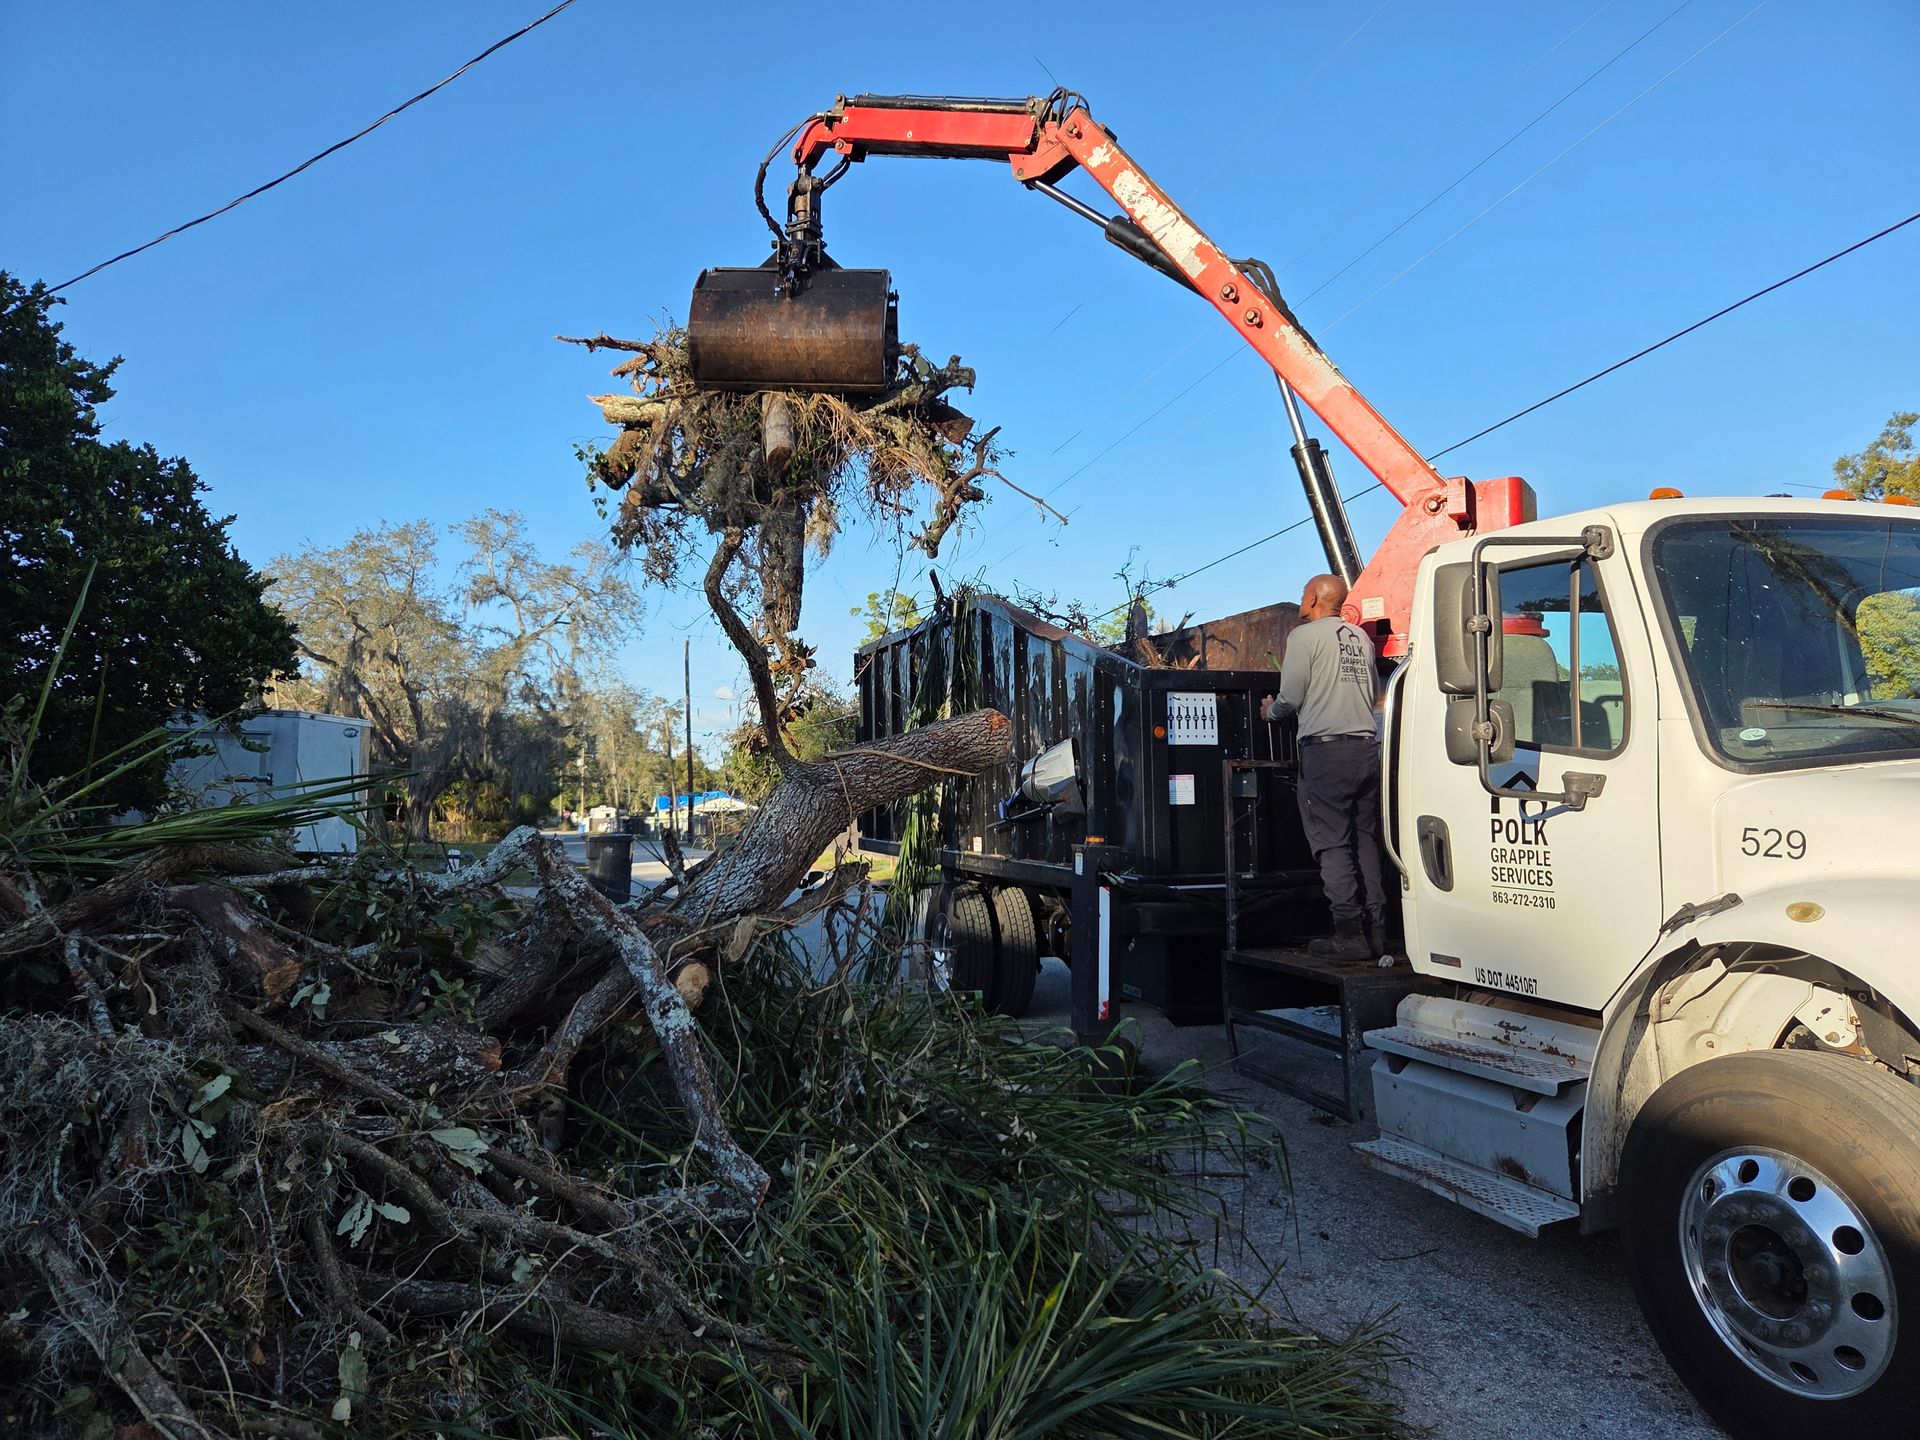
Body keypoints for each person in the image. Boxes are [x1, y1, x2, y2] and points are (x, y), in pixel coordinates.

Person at [1261, 574, 1387, 962]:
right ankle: (1377, 932)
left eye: (1303, 593)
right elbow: (1372, 695)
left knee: (1331, 843)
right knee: (1364, 839)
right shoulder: (1360, 638)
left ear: (1314, 598)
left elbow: (1292, 695)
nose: (1301, 598)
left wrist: (1271, 712)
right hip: (1366, 750)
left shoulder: (1304, 638)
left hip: (1327, 753)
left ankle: (1348, 935)